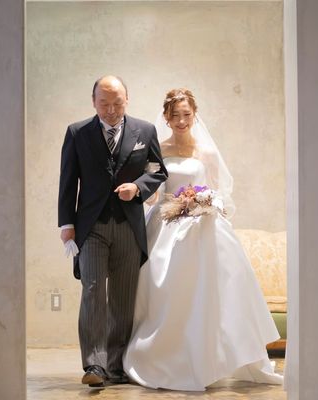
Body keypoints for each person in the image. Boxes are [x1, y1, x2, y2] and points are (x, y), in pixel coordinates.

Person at [122, 88, 284, 391]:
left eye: (187, 114)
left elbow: (218, 192)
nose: (182, 120)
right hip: (166, 224)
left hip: (202, 226)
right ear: (166, 117)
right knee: (164, 286)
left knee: (213, 291)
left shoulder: (206, 153)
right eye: (175, 115)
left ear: (194, 115)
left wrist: (203, 201)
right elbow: (155, 192)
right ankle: (167, 356)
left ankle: (211, 357)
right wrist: (154, 197)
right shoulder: (158, 149)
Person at [58, 75, 168, 387]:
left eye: (117, 103)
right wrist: (66, 225)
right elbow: (68, 181)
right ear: (93, 102)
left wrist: (138, 187)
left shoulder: (145, 131)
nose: (110, 110)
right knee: (93, 291)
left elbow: (158, 170)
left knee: (122, 296)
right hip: (90, 227)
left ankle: (116, 365)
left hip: (129, 227)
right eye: (103, 103)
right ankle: (95, 365)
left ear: (126, 100)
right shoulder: (77, 132)